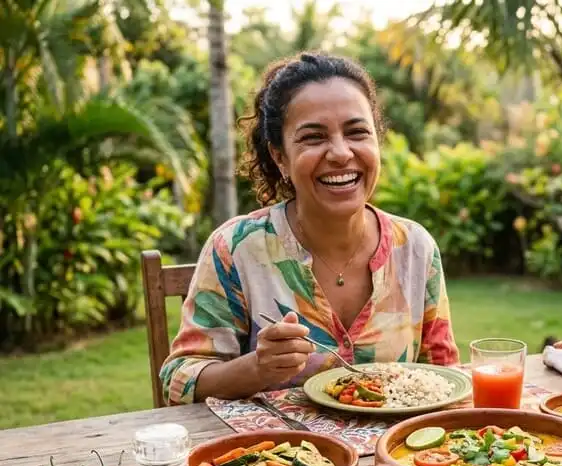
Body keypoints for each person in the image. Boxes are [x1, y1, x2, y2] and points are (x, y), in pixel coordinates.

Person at [160, 52, 460, 405]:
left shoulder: (414, 247)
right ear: (279, 156)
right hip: (274, 456)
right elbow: (177, 380)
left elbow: (447, 377)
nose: (340, 153)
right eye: (314, 137)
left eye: (357, 132)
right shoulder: (237, 248)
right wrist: (257, 367)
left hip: (391, 456)